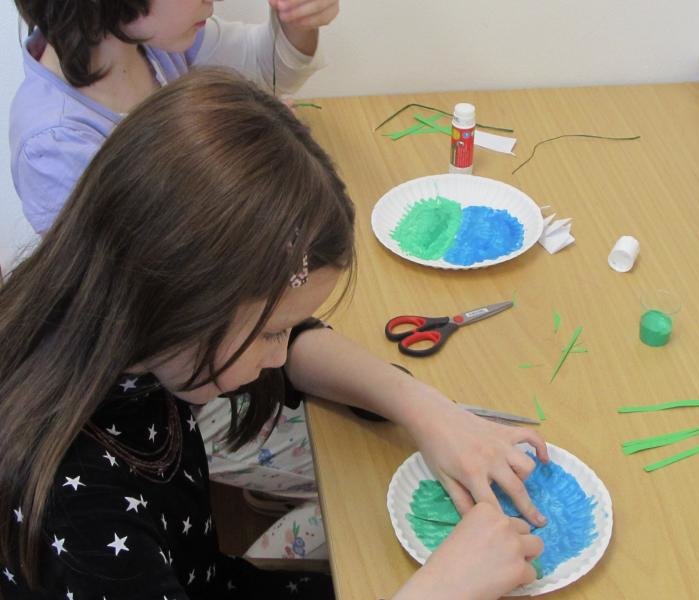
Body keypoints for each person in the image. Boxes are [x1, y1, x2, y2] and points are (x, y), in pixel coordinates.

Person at [0, 69, 546, 599]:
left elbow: (299, 347)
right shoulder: (80, 518)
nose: (282, 355)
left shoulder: (122, 321)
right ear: (185, 296)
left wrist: (428, 411)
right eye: (271, 333)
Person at [9, 0, 339, 546]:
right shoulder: (55, 142)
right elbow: (187, 311)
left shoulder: (154, 49)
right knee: (345, 470)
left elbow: (235, 309)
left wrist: (294, 27)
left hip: (197, 374)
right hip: (181, 386)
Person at [10, 0, 337, 234]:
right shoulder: (54, 147)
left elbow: (269, 68)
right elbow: (147, 282)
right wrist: (249, 153)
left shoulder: (153, 44)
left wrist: (298, 19)